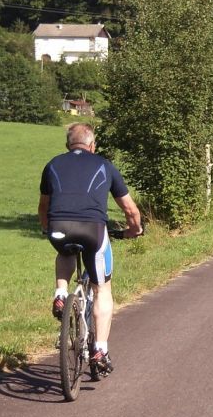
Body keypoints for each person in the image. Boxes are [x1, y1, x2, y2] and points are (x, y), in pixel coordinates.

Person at [38, 123, 142, 374]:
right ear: (92, 145)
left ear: (67, 145)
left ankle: (61, 294)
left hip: (58, 226)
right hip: (92, 230)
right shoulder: (104, 165)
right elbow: (130, 209)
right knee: (102, 288)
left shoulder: (52, 164)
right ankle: (100, 350)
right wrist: (134, 230)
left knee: (64, 251)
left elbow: (43, 206)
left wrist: (46, 228)